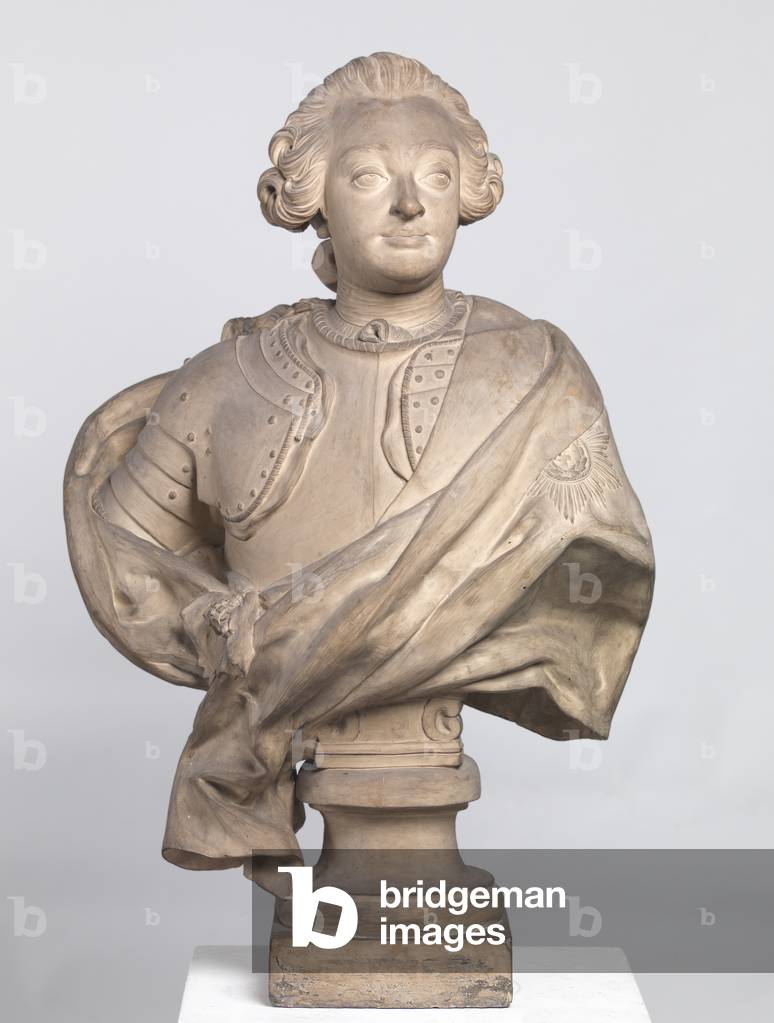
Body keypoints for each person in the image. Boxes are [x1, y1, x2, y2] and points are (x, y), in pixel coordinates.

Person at [64, 52, 654, 891]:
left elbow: (603, 558)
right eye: (370, 176)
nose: (411, 203)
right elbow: (129, 562)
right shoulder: (223, 384)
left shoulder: (538, 377)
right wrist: (227, 629)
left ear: (468, 192)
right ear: (313, 198)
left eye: (437, 176)